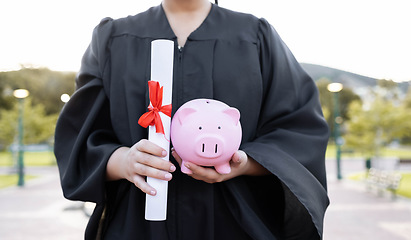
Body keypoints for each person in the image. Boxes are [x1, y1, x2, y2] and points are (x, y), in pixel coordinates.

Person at [54, 0, 330, 239]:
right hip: (138, 222)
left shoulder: (256, 36)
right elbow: (80, 133)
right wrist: (123, 161)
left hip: (237, 222)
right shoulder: (113, 38)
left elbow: (298, 129)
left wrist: (245, 163)